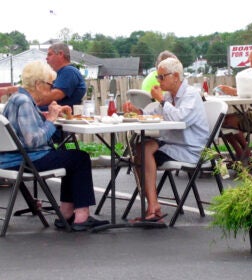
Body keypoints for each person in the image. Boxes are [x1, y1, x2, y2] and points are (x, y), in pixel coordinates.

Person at [0, 61, 108, 231]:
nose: (51, 90)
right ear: (38, 84)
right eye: (50, 85)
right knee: (80, 158)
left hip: (11, 159)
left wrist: (46, 114)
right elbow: (33, 141)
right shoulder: (25, 102)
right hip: (26, 161)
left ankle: (66, 213)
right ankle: (81, 216)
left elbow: (25, 127)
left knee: (69, 156)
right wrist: (50, 119)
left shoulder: (16, 99)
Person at [123, 57, 209, 222]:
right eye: (158, 77)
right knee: (141, 148)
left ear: (176, 76)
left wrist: (161, 100)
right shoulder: (170, 96)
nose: (159, 81)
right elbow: (154, 113)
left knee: (144, 150)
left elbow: (181, 120)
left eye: (162, 77)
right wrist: (137, 111)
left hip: (190, 149)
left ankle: (153, 207)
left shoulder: (191, 95)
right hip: (173, 143)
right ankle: (153, 206)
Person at [37, 42, 86, 111]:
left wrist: (31, 100)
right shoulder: (61, 73)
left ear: (60, 54)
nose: (46, 58)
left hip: (61, 118)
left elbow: (55, 95)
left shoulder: (69, 71)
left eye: (50, 54)